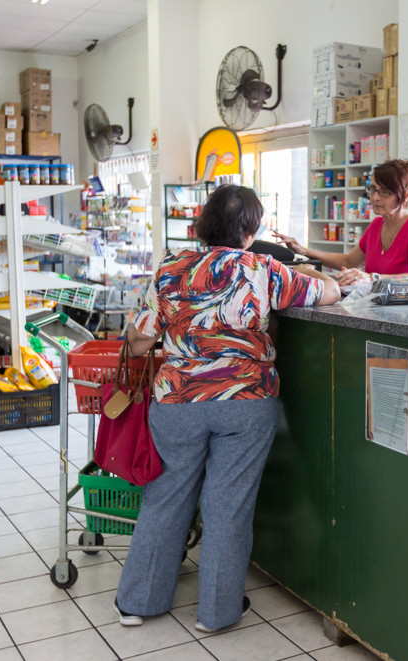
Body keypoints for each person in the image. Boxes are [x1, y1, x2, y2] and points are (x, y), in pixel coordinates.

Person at [114, 184, 340, 633]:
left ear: (201, 226)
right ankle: (217, 613)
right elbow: (329, 292)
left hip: (178, 402)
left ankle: (137, 602)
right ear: (251, 232)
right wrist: (317, 273)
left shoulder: (171, 267)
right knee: (227, 507)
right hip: (245, 401)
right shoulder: (263, 269)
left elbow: (138, 343)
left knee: (164, 498)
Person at [274, 158, 408, 285]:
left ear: (406, 195)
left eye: (385, 192)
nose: (375, 197)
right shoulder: (376, 226)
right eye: (373, 189)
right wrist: (304, 251)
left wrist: (372, 278)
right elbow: (349, 261)